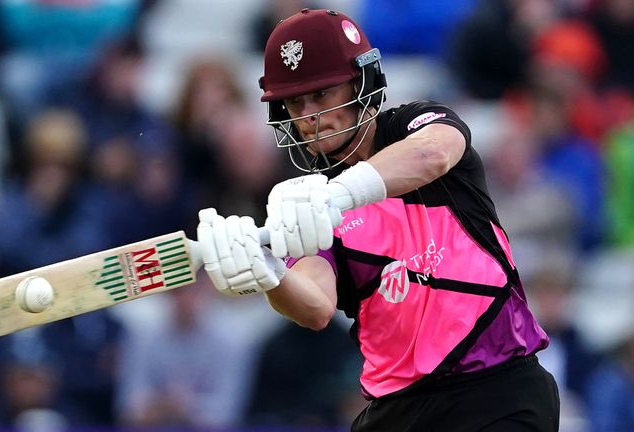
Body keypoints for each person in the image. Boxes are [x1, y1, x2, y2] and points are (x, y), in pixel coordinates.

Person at [196, 8, 559, 431]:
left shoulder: (416, 124)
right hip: (397, 410)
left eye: (323, 94)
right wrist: (268, 272)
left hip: (498, 389)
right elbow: (315, 307)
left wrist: (338, 194)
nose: (310, 117)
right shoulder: (306, 206)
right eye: (297, 101)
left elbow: (433, 153)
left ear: (360, 83)